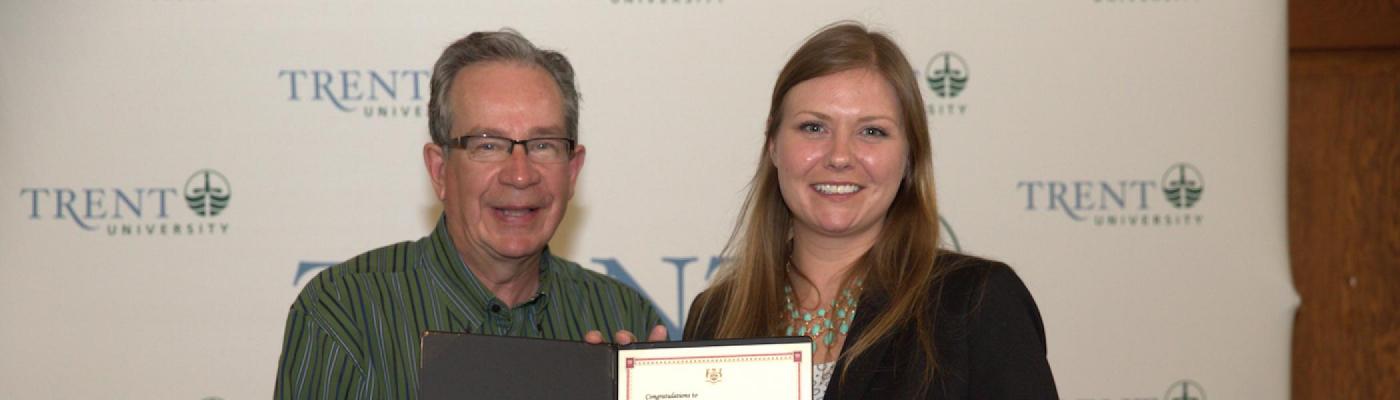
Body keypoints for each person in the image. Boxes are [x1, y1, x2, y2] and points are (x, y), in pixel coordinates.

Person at [275, 29, 666, 399]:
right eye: (488, 145)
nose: (520, 174)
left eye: (543, 145)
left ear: (573, 170)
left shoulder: (623, 315)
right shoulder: (345, 312)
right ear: (439, 170)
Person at [683, 22, 1058, 399]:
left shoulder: (976, 302)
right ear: (773, 145)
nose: (840, 156)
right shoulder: (714, 316)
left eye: (872, 132)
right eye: (813, 127)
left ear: (910, 155)